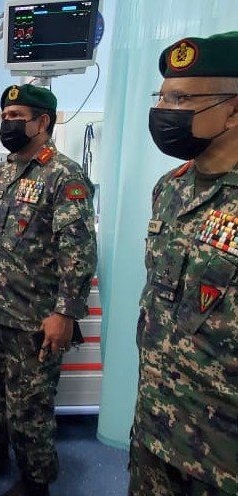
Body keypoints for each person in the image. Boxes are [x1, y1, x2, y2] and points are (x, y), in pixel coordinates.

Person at [0, 84, 98, 496]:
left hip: (37, 318)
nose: (8, 123)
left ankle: (36, 482)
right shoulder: (2, 173)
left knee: (30, 408)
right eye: (5, 116)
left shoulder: (64, 175)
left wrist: (65, 313)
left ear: (42, 122)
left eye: (17, 116)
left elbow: (79, 251)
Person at [129, 32, 238, 496]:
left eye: (181, 99)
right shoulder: (171, 187)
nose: (164, 111)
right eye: (162, 98)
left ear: (233, 109)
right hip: (156, 425)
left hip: (222, 455)